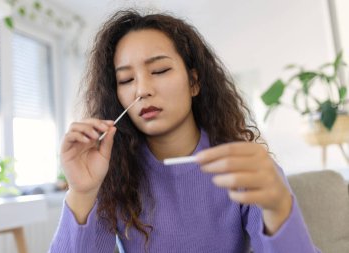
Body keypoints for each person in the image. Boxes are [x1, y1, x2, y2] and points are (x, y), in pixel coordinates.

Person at [49, 9, 320, 253]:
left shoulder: (242, 167)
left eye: (160, 70)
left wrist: (280, 209)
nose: (142, 90)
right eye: (126, 79)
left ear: (193, 82)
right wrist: (82, 192)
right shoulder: (112, 175)